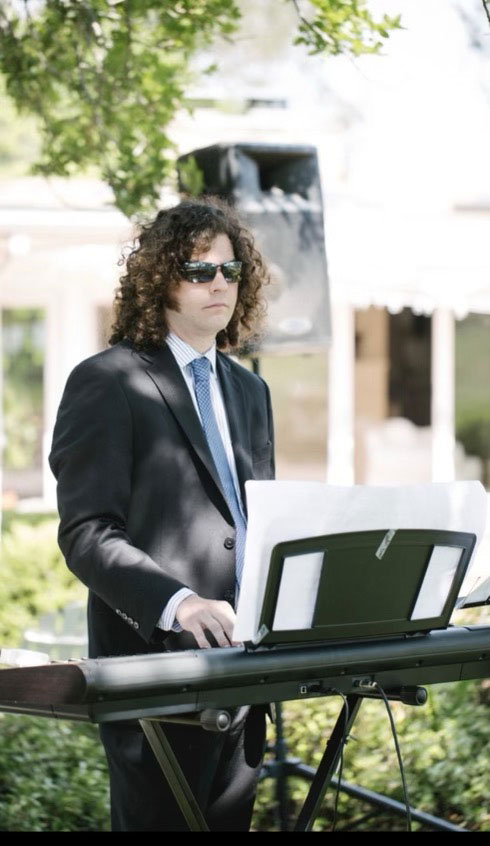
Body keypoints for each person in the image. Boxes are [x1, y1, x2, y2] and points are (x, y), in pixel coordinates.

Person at [48, 197, 275, 831]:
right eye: (198, 270)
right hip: (155, 675)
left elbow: (254, 522)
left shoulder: (251, 391)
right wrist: (179, 603)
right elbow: (88, 533)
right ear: (159, 279)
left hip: (251, 669)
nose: (218, 284)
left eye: (230, 270)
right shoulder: (106, 381)